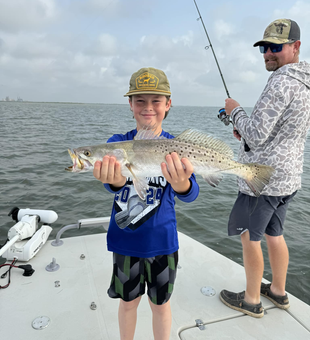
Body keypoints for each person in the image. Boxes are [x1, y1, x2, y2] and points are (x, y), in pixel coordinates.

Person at [93, 67, 199, 339]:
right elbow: (113, 185)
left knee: (161, 306)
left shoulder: (177, 147)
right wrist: (115, 180)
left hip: (162, 243)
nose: (148, 107)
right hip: (125, 242)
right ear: (130, 104)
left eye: (156, 100)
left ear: (168, 104)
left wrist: (180, 183)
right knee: (128, 304)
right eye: (140, 100)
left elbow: (191, 192)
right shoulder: (117, 144)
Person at [219, 19, 310, 318]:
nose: (269, 54)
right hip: (288, 178)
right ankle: (279, 292)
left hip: (262, 180)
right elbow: (279, 130)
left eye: (276, 47)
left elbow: (257, 135)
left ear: (296, 47)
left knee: (249, 236)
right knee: (275, 233)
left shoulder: (281, 80)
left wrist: (235, 112)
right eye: (265, 48)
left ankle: (251, 299)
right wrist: (244, 131)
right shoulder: (303, 81)